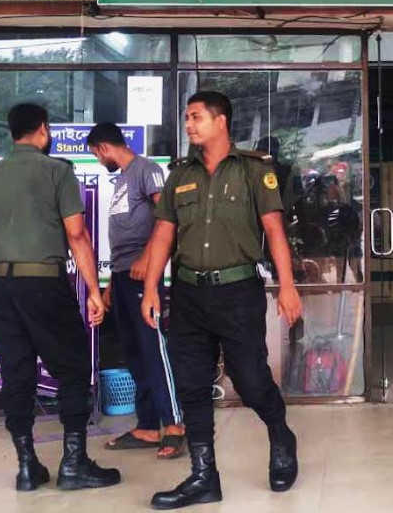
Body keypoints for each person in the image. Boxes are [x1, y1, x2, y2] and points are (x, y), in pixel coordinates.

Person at [139, 91, 304, 509]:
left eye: (196, 117)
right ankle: (203, 476)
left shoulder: (253, 170)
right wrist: (151, 286)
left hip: (237, 292)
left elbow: (274, 232)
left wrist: (287, 285)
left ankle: (280, 434)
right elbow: (163, 234)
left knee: (249, 379)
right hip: (189, 294)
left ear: (221, 121)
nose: (188, 125)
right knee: (192, 385)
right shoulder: (180, 174)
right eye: (187, 117)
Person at [0, 103, 120, 491]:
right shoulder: (57, 172)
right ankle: (74, 464)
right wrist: (93, 290)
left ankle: (26, 467)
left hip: (2, 288)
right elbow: (76, 235)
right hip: (43, 284)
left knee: (16, 375)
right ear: (43, 129)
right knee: (73, 369)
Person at [87, 122, 186, 459]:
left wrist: (148, 259)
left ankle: (173, 424)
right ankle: (147, 426)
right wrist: (111, 284)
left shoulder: (146, 169)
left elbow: (166, 218)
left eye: (96, 155)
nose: (100, 161)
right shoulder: (123, 178)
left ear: (103, 148)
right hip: (123, 274)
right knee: (133, 351)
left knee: (153, 347)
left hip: (145, 275)